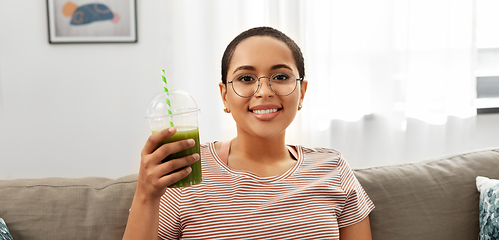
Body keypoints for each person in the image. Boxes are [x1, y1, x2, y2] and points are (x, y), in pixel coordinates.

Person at [123, 26, 374, 240]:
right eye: (245, 78)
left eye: (280, 76)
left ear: (302, 92)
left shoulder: (333, 168)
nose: (264, 91)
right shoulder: (185, 169)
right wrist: (146, 194)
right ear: (225, 96)